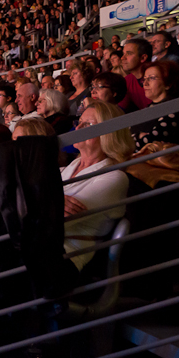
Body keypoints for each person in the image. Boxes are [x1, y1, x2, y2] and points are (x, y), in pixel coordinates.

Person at [62, 101, 133, 272]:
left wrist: (44, 199)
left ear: (109, 133)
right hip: (40, 250)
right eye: (78, 122)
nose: (78, 128)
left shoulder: (115, 178)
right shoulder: (65, 169)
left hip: (66, 261)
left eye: (88, 124)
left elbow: (53, 222)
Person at [130, 61, 179, 150]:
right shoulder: (148, 108)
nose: (145, 83)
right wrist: (139, 136)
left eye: (151, 78)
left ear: (168, 84)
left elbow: (152, 142)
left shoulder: (176, 109)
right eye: (144, 79)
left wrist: (134, 137)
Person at [119, 38, 153, 112]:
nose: (122, 58)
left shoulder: (158, 76)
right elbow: (120, 110)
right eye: (123, 54)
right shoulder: (127, 80)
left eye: (129, 53)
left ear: (143, 58)